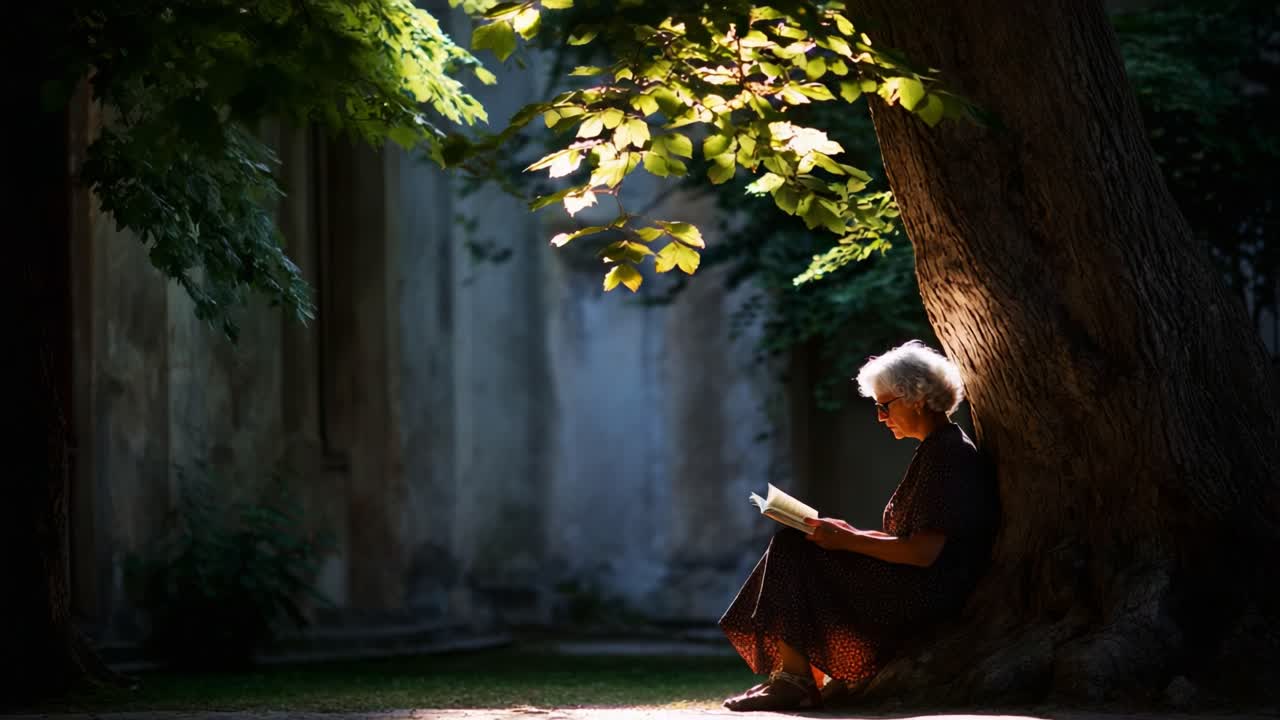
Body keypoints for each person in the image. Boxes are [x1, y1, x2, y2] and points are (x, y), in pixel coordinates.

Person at [719, 340, 999, 711]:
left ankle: (795, 681)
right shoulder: (937, 448)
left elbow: (923, 552)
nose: (880, 417)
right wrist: (846, 532)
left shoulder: (948, 455)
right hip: (919, 580)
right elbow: (912, 538)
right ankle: (796, 677)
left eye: (885, 406)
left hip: (931, 592)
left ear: (916, 398)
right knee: (802, 542)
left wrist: (849, 542)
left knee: (792, 546)